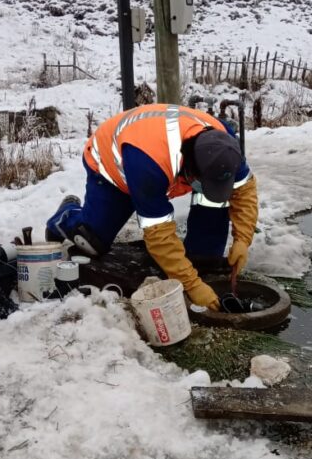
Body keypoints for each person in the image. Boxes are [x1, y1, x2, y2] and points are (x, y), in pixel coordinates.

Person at [46, 103, 258, 310]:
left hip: (151, 159)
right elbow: (159, 236)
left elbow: (245, 191)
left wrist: (242, 240)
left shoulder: (225, 148)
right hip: (112, 166)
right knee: (90, 242)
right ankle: (66, 216)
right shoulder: (149, 165)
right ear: (189, 169)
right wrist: (192, 285)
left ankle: (201, 255)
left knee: (206, 254)